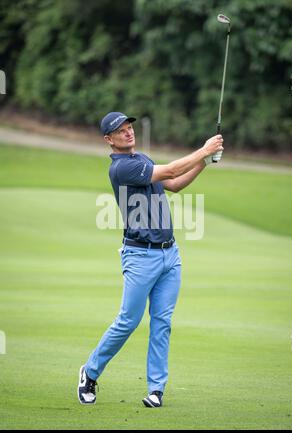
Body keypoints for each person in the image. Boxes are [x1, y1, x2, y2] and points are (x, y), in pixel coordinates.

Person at [77, 112, 224, 407]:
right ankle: (90, 372)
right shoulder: (121, 169)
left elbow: (175, 184)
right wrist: (204, 150)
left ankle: (156, 390)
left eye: (129, 127)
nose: (128, 132)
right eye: (120, 130)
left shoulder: (142, 159)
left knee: (162, 323)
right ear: (109, 140)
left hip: (170, 255)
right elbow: (169, 171)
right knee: (128, 321)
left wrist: (205, 163)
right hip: (140, 255)